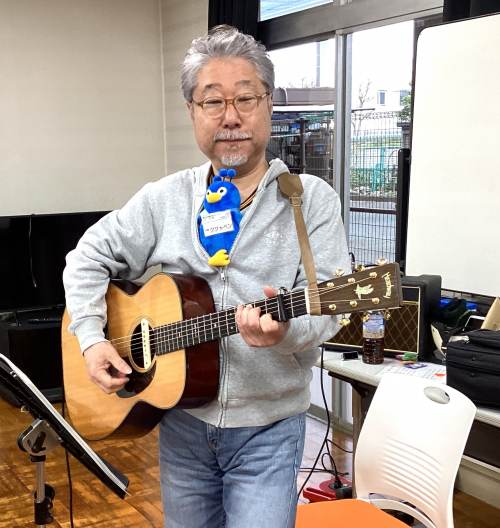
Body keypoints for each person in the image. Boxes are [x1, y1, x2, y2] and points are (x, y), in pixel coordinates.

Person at [63, 25, 350, 528]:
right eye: (213, 101)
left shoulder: (309, 201)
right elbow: (86, 256)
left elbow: (330, 309)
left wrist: (285, 333)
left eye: (246, 98)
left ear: (269, 104)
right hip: (181, 424)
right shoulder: (165, 198)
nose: (230, 117)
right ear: (192, 111)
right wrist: (91, 337)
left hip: (268, 431)